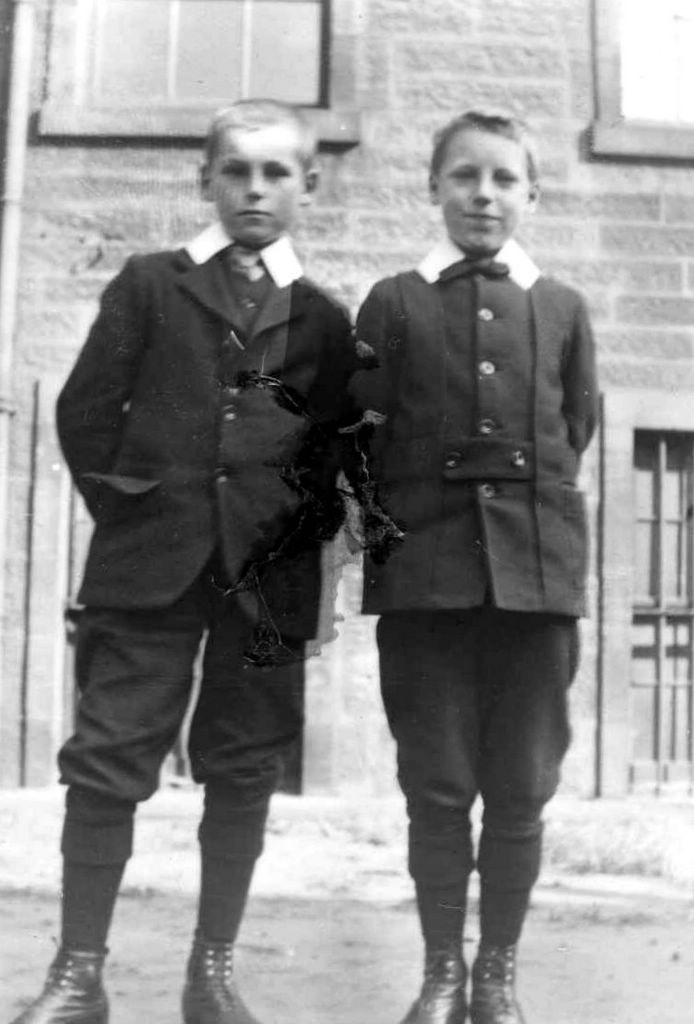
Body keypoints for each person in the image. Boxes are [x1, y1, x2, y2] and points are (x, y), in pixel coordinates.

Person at [11, 99, 359, 1024]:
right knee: (106, 759)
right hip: (147, 566)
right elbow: (86, 414)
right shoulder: (150, 285)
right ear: (203, 180)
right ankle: (78, 972)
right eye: (235, 171)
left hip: (264, 584)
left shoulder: (325, 319)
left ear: (308, 186)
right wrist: (136, 515)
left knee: (243, 769)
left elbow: (330, 463)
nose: (254, 189)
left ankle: (212, 974)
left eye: (276, 172)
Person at [349, 110, 598, 1024]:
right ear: (433, 189)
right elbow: (362, 435)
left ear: (532, 193)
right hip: (427, 585)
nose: (483, 195)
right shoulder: (393, 302)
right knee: (439, 785)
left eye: (503, 179)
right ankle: (440, 973)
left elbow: (575, 425)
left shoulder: (562, 308)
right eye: (464, 177)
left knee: (522, 788)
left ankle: (496, 972)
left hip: (535, 586)